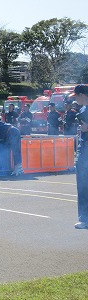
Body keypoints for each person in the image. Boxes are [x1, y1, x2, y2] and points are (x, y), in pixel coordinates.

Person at [71, 85, 88, 229]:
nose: (75, 99)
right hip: (83, 149)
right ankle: (84, 218)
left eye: (76, 96)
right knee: (82, 185)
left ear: (82, 95)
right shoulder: (82, 110)